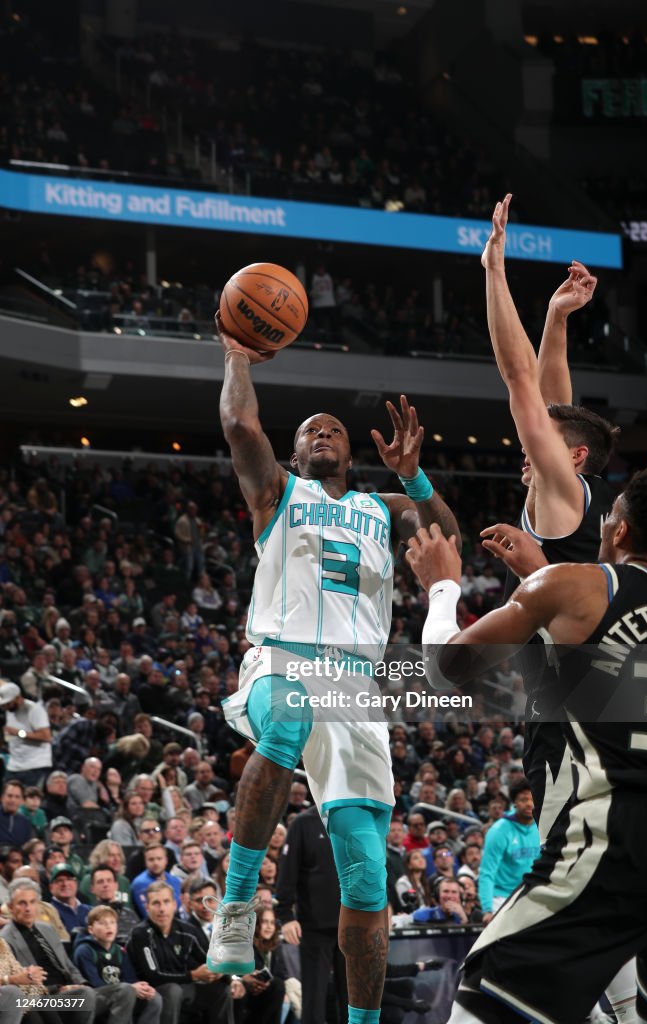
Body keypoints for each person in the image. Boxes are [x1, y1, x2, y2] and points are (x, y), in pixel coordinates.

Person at [210, 312, 459, 1024]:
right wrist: (237, 357)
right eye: (308, 431)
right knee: (286, 719)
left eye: (333, 430)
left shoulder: (385, 506)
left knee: (366, 875)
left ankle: (363, 1022)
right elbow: (240, 427)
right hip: (282, 659)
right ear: (293, 453)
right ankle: (235, 909)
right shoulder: (278, 494)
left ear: (352, 451)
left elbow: (446, 539)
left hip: (357, 687)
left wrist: (413, 476)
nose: (321, 434)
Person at [406, 467, 647, 1024]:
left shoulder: (575, 586)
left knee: (483, 1002)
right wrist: (543, 578)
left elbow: (444, 668)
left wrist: (442, 586)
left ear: (621, 531)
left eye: (609, 516)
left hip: (618, 832)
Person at [477, 195, 635, 1022]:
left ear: (568, 454)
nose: (525, 442)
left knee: (565, 880)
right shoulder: (589, 497)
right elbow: (551, 391)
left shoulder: (564, 491)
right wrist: (556, 318)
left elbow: (520, 384)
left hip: (567, 701)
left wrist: (495, 271)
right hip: (610, 687)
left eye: (542, 436)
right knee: (605, 870)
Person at [275, 804, 346, 1024]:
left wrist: (383, 905)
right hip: (315, 925)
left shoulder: (357, 818)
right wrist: (285, 915)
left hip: (354, 925)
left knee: (356, 1001)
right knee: (314, 1000)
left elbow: (373, 866)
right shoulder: (303, 823)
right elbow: (287, 871)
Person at [127, 879, 234, 1024]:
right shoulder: (141, 934)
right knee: (173, 990)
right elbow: (153, 976)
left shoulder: (187, 931)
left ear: (174, 904)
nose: (162, 909)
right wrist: (193, 975)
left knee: (221, 989)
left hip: (184, 987)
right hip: (151, 991)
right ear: (147, 907)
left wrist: (226, 977)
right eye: (156, 903)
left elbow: (210, 960)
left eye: (166, 902)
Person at [0, 877, 96, 1023]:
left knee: (122, 991)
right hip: (44, 997)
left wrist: (81, 983)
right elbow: (22, 980)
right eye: (22, 903)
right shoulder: (5, 938)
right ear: (10, 907)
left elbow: (68, 965)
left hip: (69, 991)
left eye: (32, 902)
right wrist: (57, 988)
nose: (28, 908)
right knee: (85, 996)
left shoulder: (48, 929)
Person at [73, 905, 161, 1024]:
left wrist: (141, 988)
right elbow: (94, 984)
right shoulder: (84, 951)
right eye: (102, 923)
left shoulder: (120, 951)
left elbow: (130, 978)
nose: (108, 926)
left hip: (123, 991)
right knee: (126, 991)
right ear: (91, 929)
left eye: (112, 922)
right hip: (96, 997)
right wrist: (129, 987)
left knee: (154, 998)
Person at [476, 778, 540, 922]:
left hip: (532, 895)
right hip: (502, 897)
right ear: (514, 803)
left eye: (532, 799)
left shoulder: (542, 827)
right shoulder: (498, 831)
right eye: (524, 799)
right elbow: (487, 872)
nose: (529, 804)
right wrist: (487, 909)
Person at [0, 682, 52, 787]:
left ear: (18, 698)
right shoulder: (10, 711)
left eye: (8, 703)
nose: (6, 707)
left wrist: (19, 733)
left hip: (34, 766)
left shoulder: (34, 709)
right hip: (14, 765)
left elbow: (46, 736)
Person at [131, 845, 181, 916]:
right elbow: (148, 914)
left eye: (159, 859)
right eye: (151, 859)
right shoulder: (139, 883)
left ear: (166, 860)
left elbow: (179, 908)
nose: (156, 863)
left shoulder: (175, 881)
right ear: (145, 862)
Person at [0, 781, 33, 846]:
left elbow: (26, 847)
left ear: (22, 801)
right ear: (2, 798)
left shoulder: (25, 823)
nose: (13, 800)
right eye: (9, 796)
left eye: (17, 797)